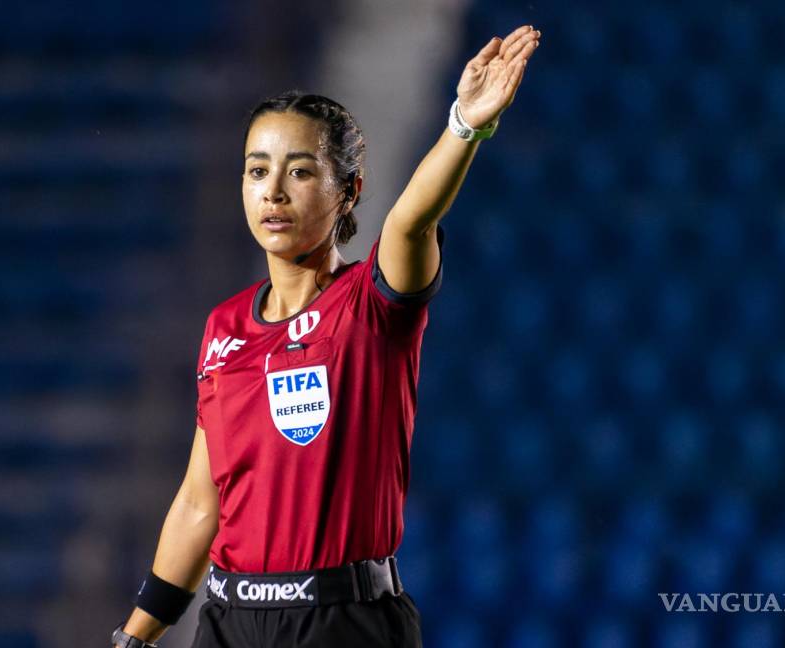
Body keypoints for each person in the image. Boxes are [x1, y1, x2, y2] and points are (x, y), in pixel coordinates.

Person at [111, 24, 541, 648]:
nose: (273, 192)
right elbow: (200, 506)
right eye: (257, 170)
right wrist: (134, 637)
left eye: (300, 171)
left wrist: (464, 125)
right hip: (229, 624)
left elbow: (411, 220)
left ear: (348, 192)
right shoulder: (222, 329)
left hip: (347, 623)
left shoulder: (372, 302)